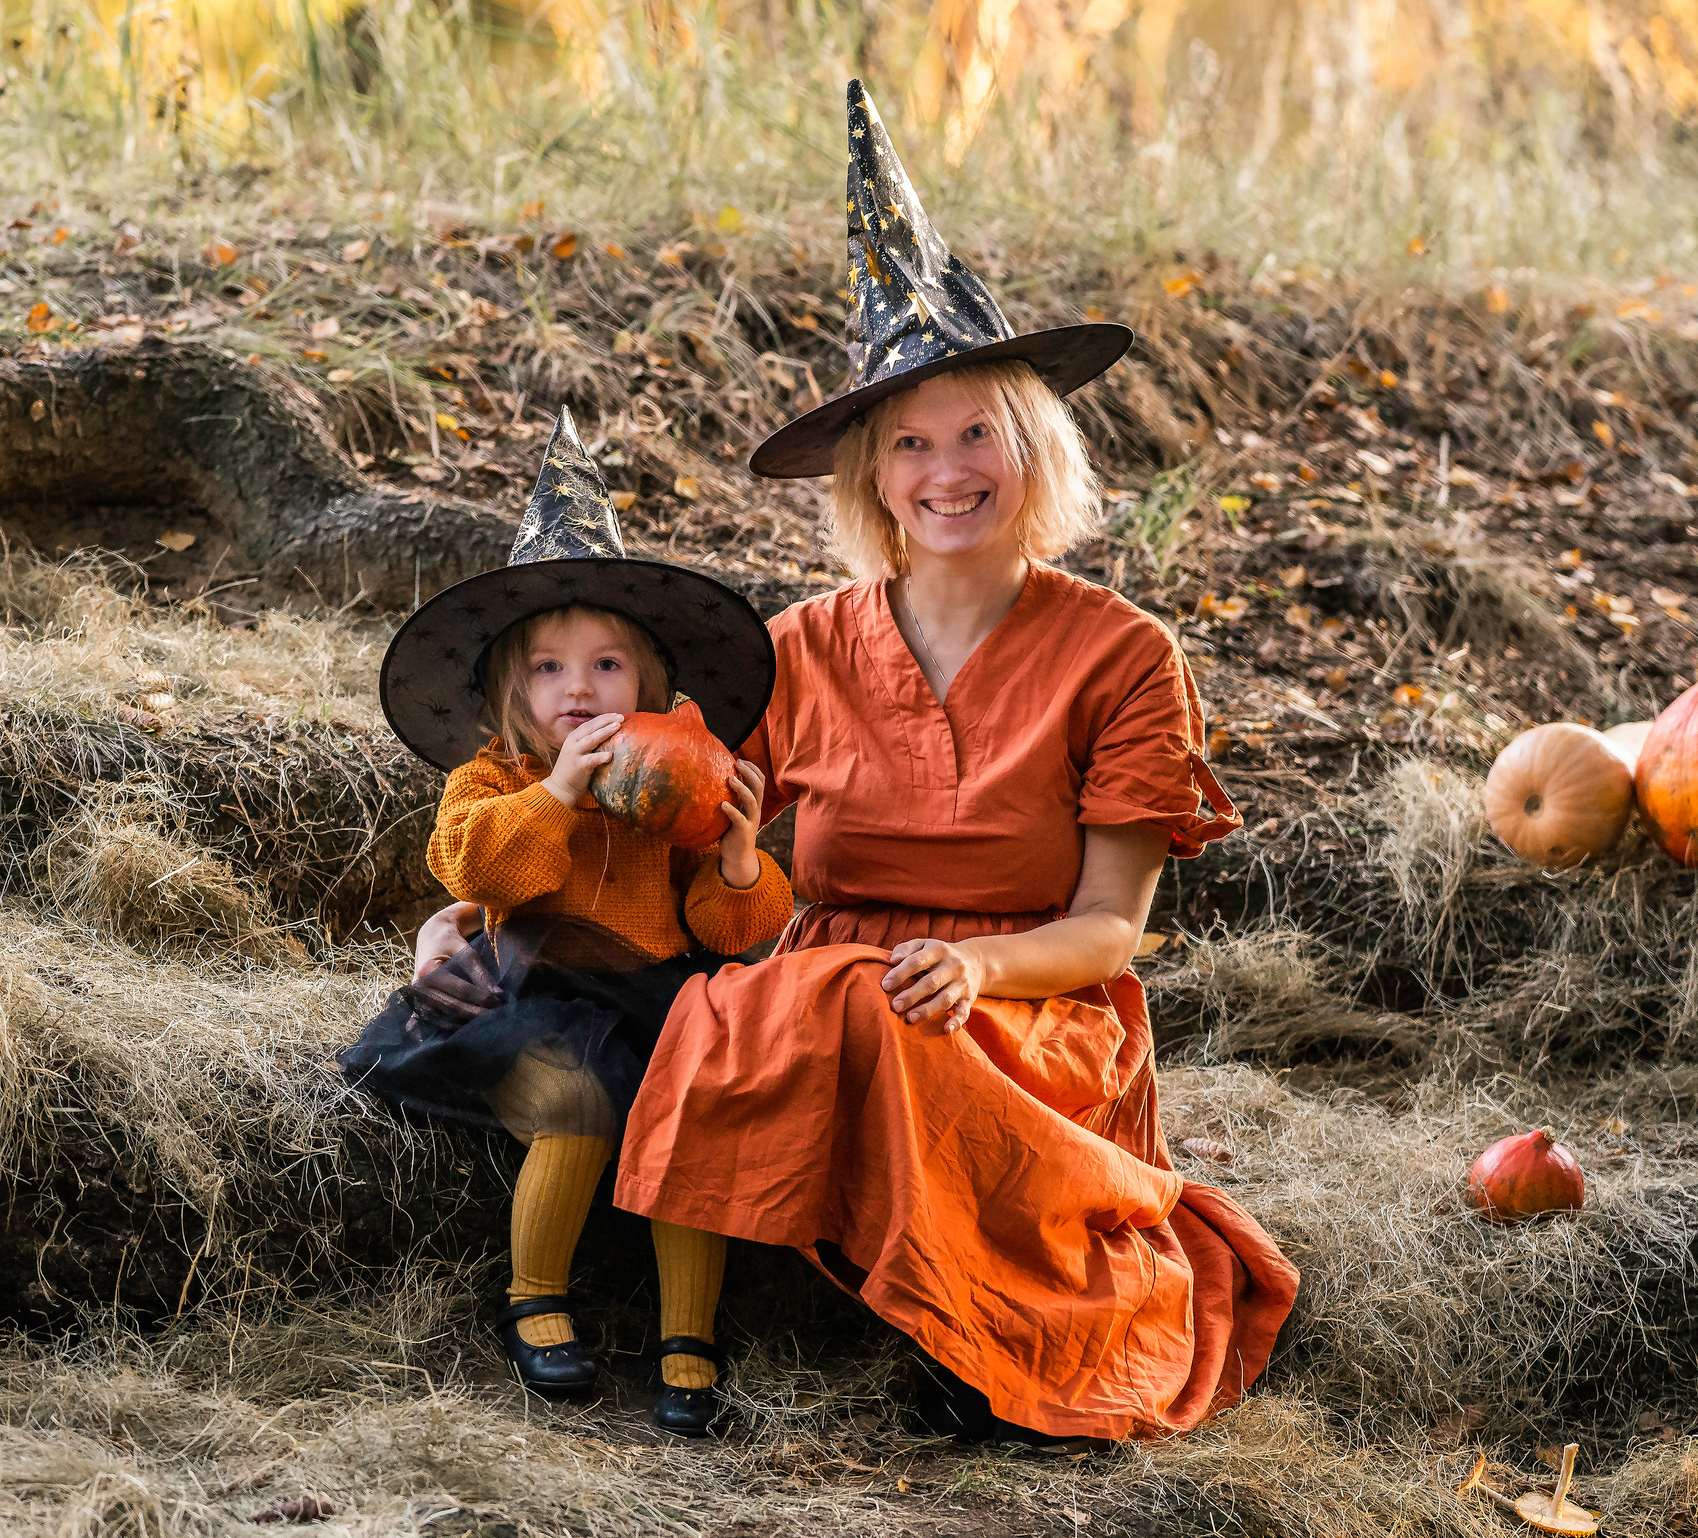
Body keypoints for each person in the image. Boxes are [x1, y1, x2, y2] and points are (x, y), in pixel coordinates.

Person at [608, 82, 1300, 1444]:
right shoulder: (797, 648)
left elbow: (1109, 928)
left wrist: (978, 964)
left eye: (976, 431)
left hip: (1033, 1003)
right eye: (908, 444)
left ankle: (987, 1335)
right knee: (803, 1002)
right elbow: (676, 812)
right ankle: (774, 1327)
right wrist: (493, 893)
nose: (945, 470)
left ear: (1031, 446)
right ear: (870, 480)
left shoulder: (1124, 654)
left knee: (902, 1013)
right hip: (837, 982)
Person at [346, 410, 791, 1435]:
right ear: (509, 694)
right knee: (575, 1105)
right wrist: (554, 793)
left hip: (656, 997)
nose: (577, 688)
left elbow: (728, 931)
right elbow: (470, 861)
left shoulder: (673, 790)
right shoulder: (492, 778)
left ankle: (690, 1337)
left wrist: (734, 856)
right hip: (530, 991)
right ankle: (534, 1295)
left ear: (653, 691)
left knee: (695, 1122)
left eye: (606, 666)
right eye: (547, 669)